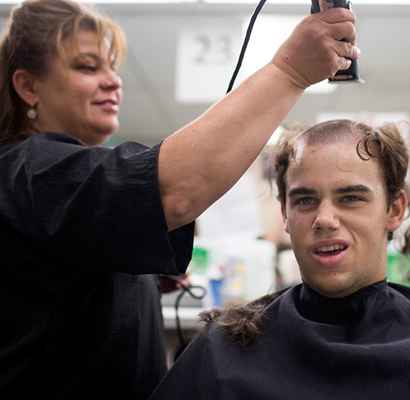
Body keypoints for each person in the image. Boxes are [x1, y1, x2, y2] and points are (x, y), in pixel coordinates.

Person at [0, 1, 358, 399]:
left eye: (112, 68)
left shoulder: (55, 189)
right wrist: (290, 72)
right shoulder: (29, 172)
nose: (112, 81)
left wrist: (143, 281)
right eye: (88, 67)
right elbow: (174, 191)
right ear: (28, 86)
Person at [150, 119, 410, 400]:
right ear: (286, 214)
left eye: (351, 198)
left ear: (394, 210)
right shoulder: (225, 350)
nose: (325, 219)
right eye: (305, 200)